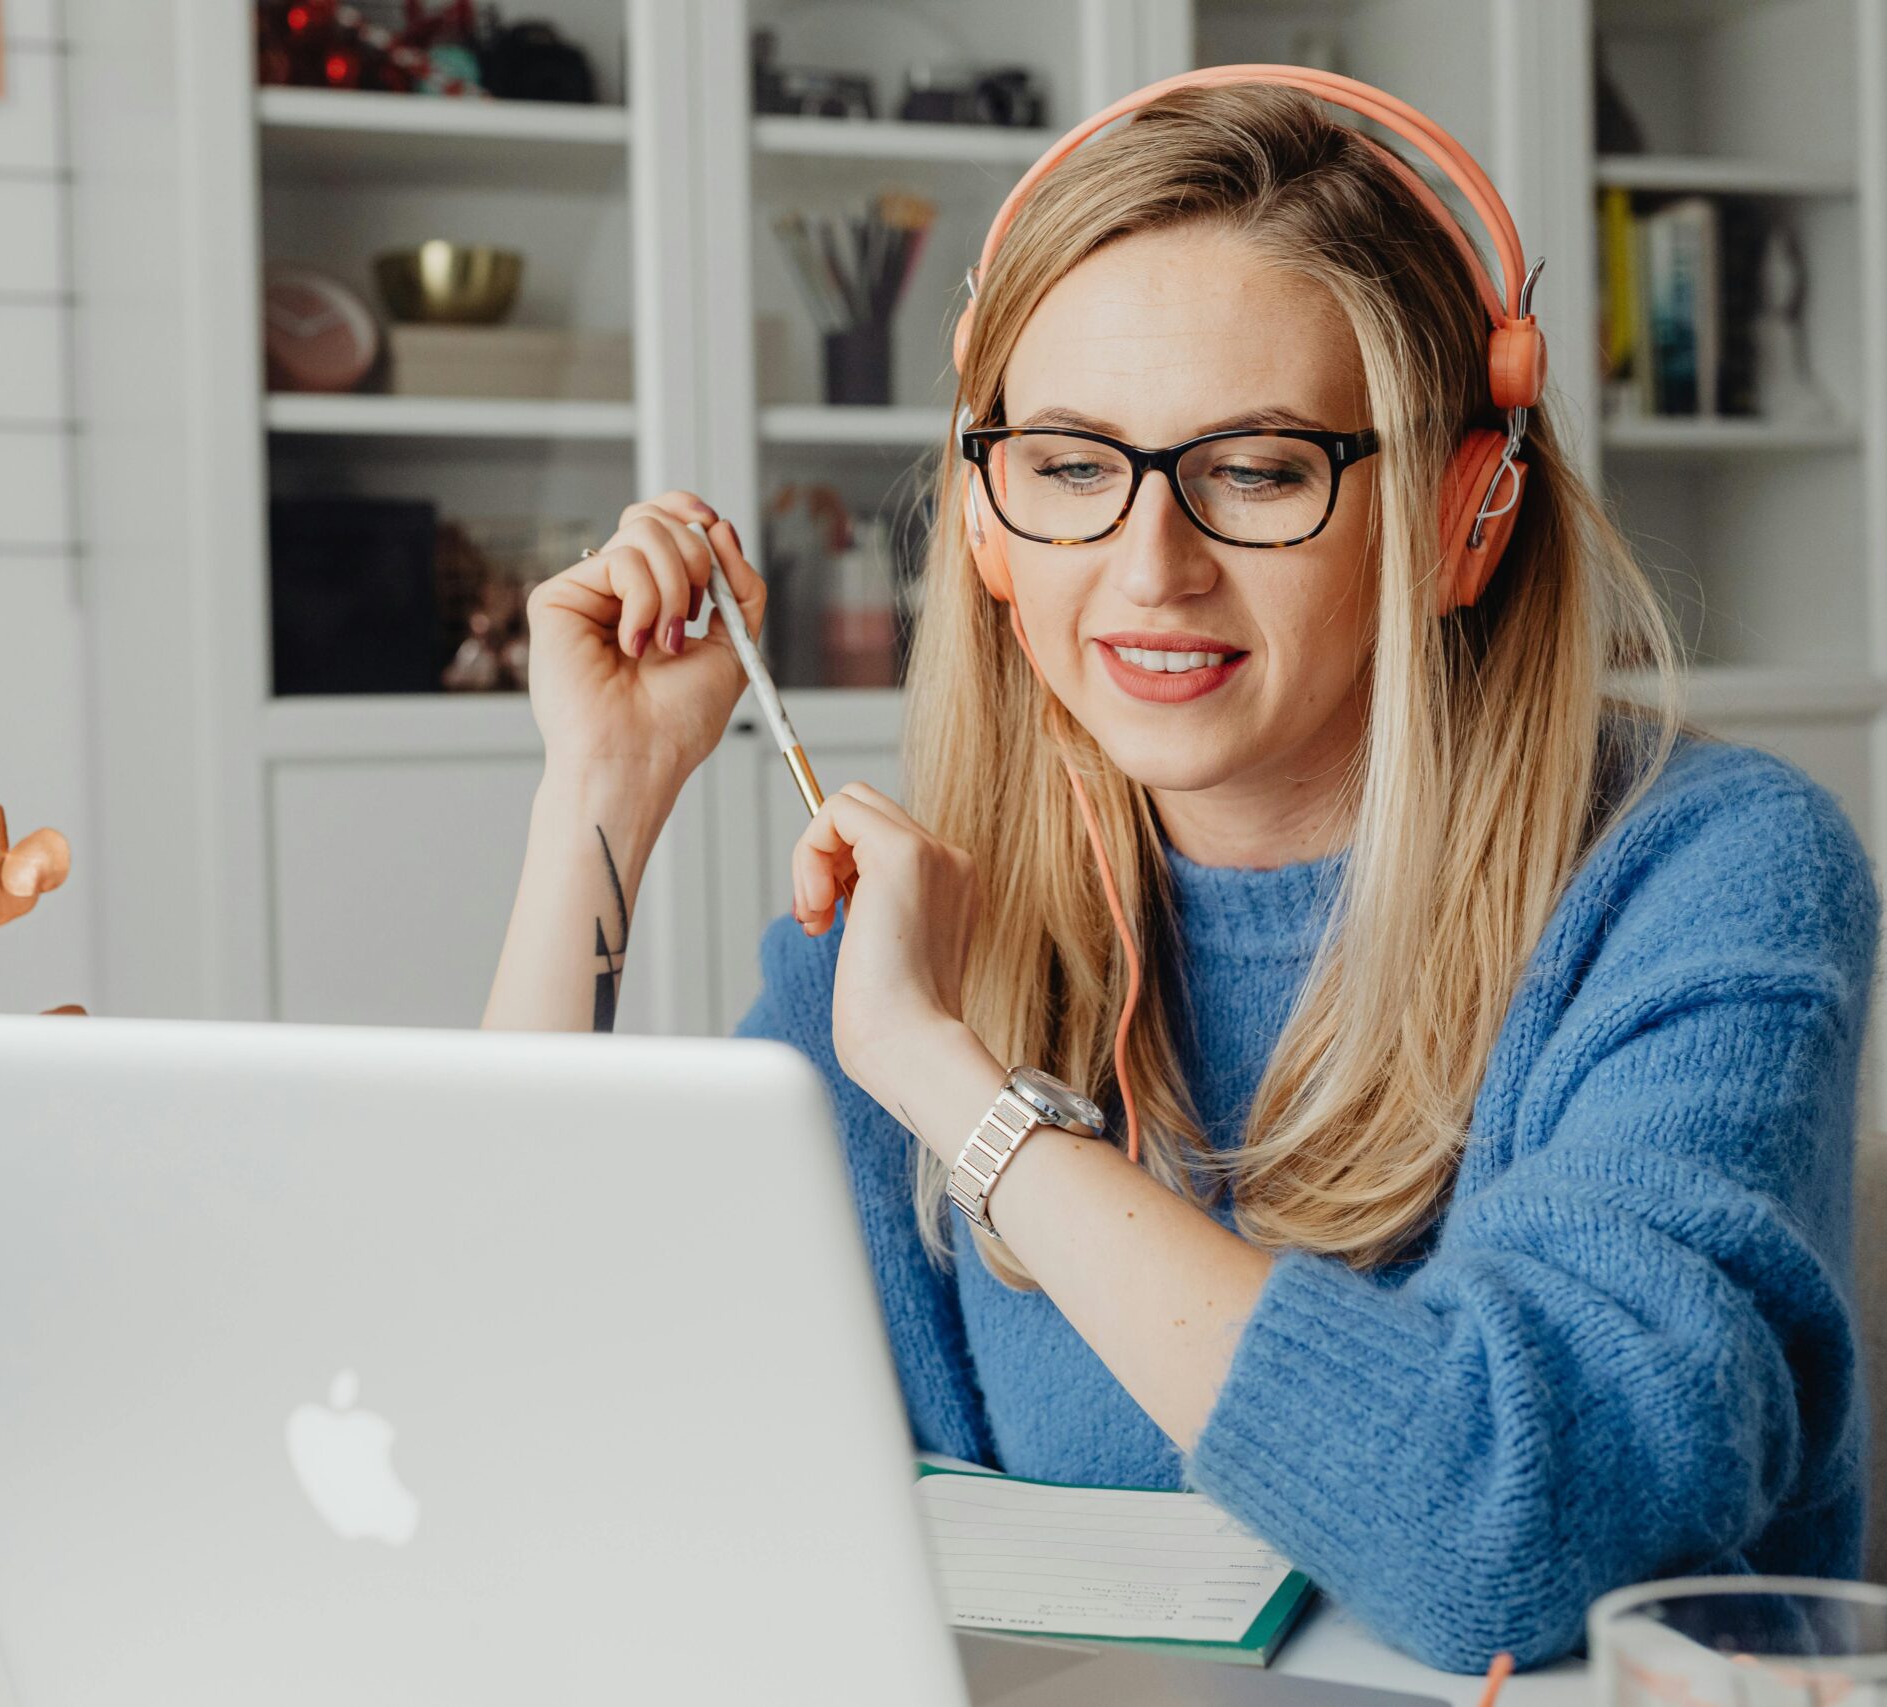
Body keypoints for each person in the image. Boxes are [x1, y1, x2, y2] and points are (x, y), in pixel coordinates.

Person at [480, 79, 1876, 1673]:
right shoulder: (908, 941)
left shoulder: (1706, 875)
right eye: (1072, 466)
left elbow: (1504, 1529)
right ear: (991, 529)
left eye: (1262, 470)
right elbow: (527, 1416)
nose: (1152, 566)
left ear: (1463, 516)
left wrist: (966, 1101)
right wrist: (599, 791)